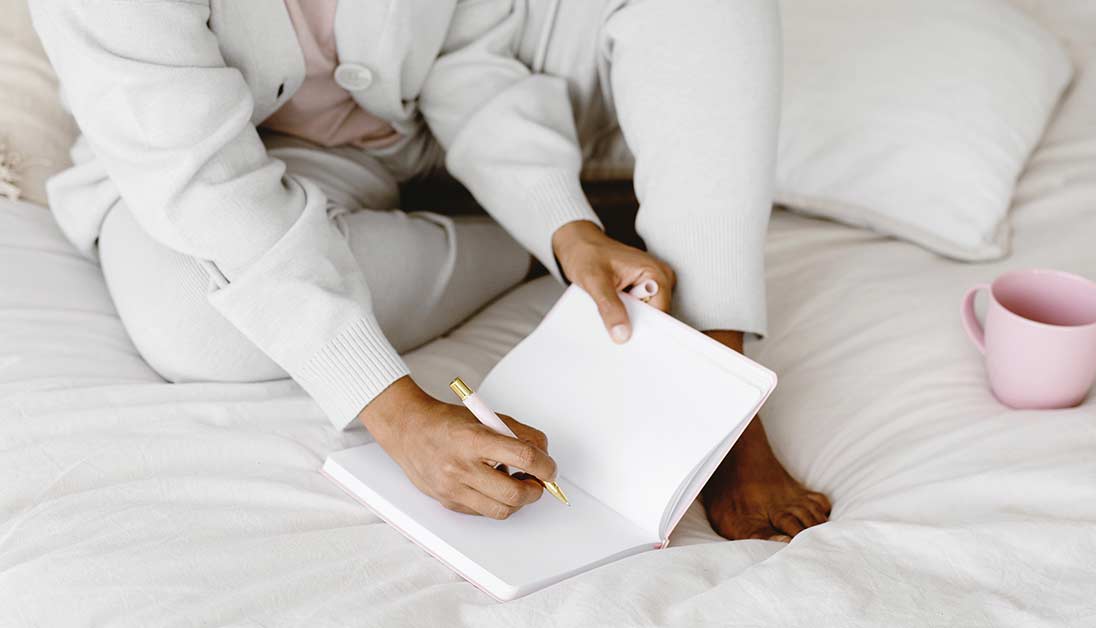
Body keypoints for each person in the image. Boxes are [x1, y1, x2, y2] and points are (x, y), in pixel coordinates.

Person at [29, 0, 831, 542]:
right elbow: (200, 181)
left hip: (425, 128)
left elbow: (463, 52)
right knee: (197, 324)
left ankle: (717, 387)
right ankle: (531, 250)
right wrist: (397, 412)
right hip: (240, 164)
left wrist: (564, 220)